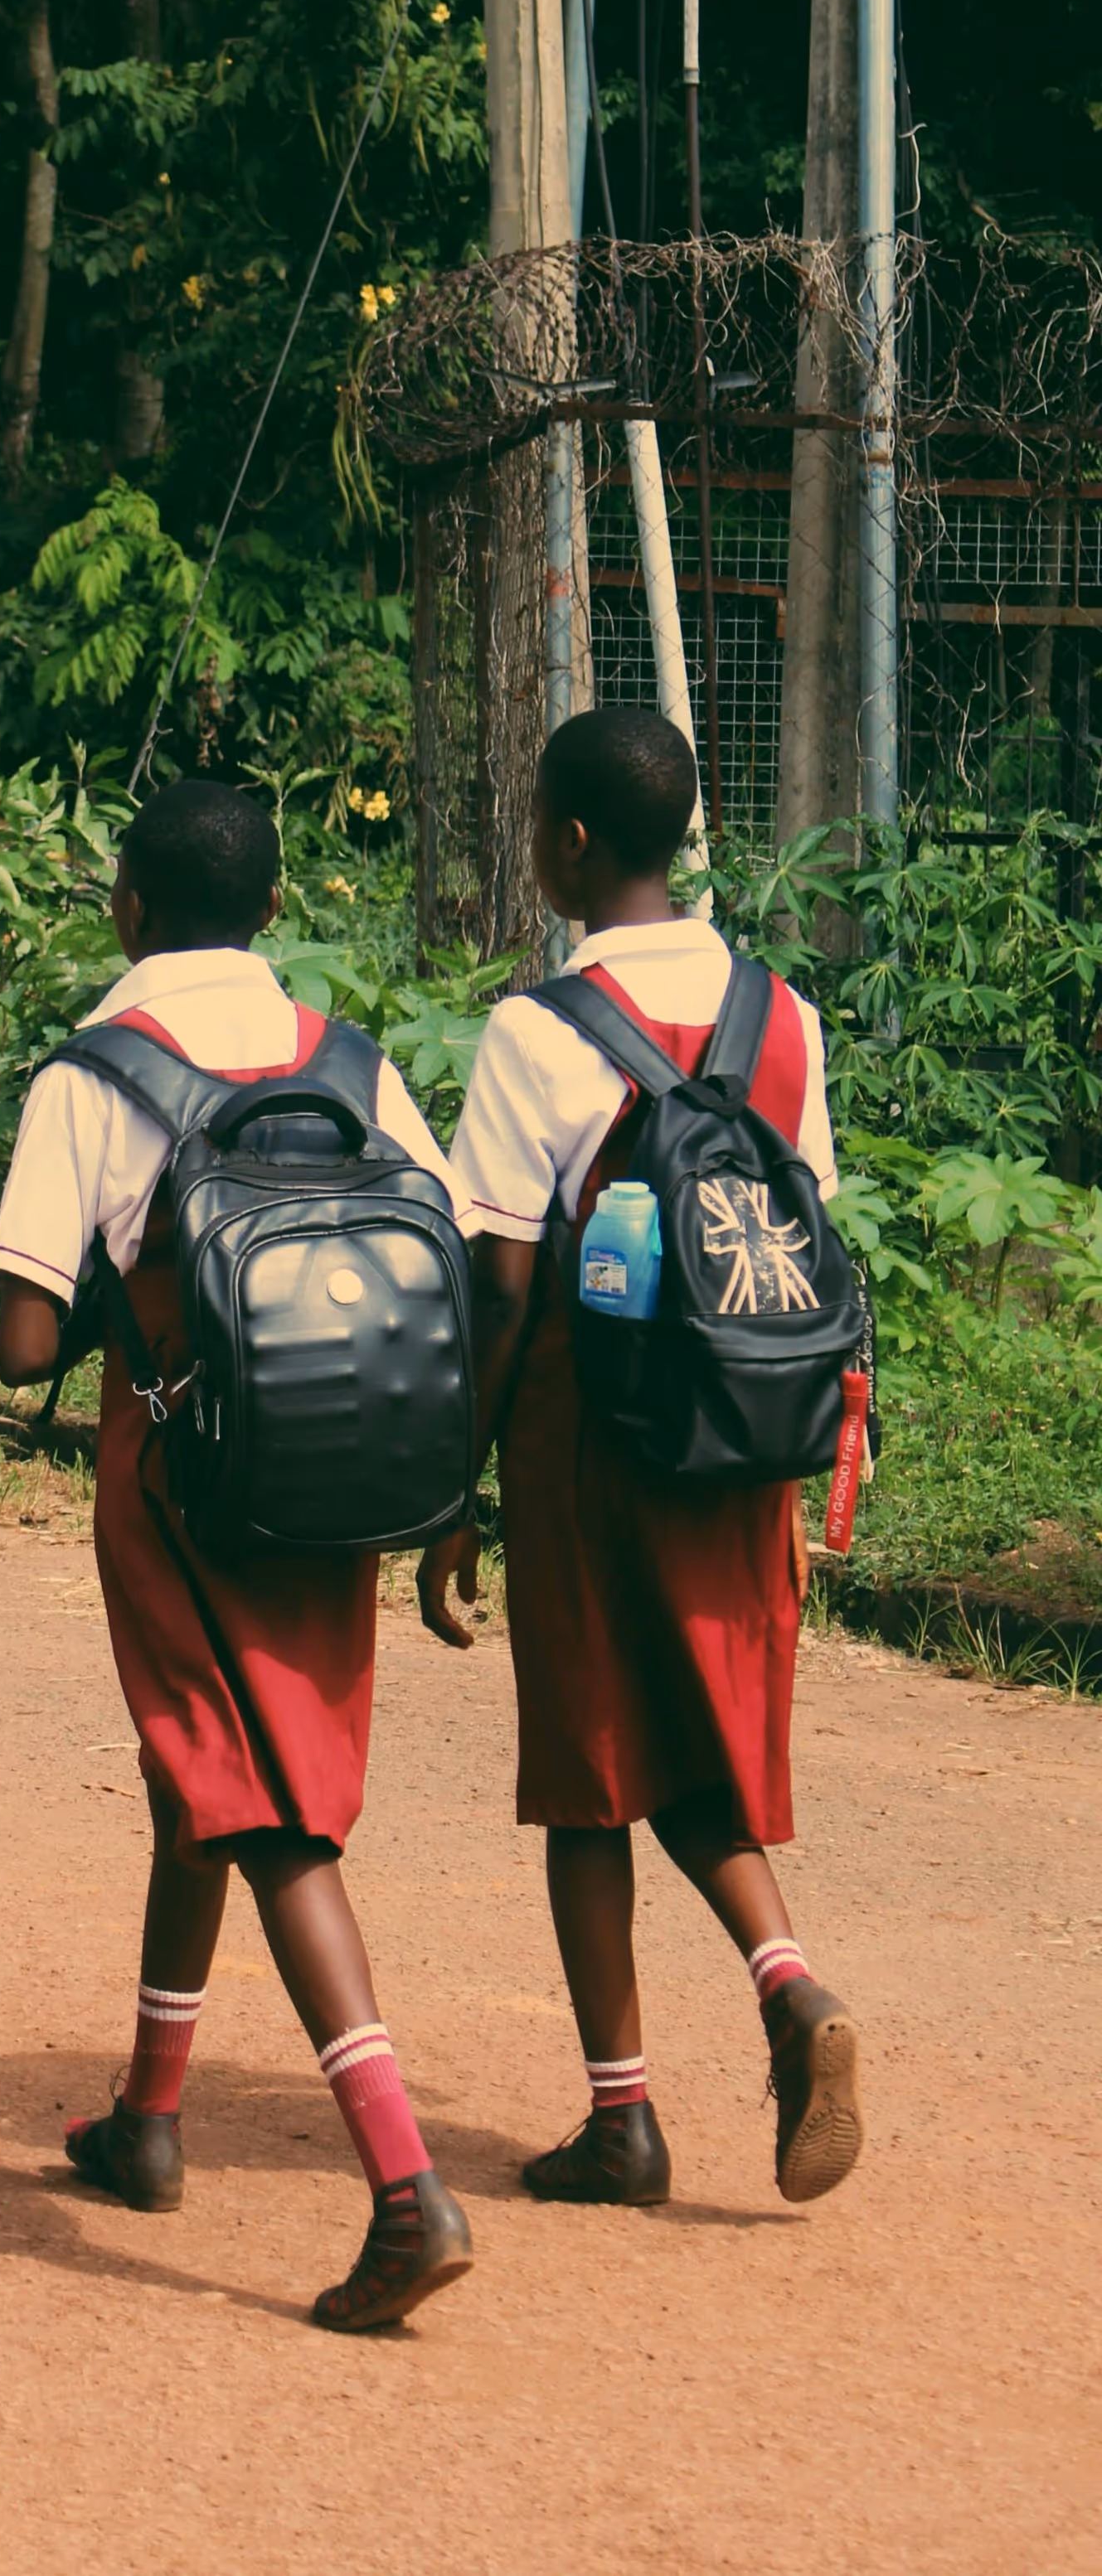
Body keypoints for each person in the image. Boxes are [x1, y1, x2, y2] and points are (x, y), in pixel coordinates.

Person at [0, 777, 476, 2332]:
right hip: (350, 1470)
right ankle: (149, 2113)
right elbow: (443, 1265)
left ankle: (406, 2189)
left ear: (126, 907)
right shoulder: (351, 1060)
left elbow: (19, 1344)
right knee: (204, 1773)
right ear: (275, 913)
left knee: (259, 1810)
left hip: (184, 1475)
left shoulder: (95, 1073)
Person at [425, 707, 863, 2211]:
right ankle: (786, 1976)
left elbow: (498, 1285)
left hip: (587, 1432)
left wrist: (454, 1489)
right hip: (747, 1430)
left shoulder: (535, 1032)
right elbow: (800, 1229)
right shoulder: (784, 1015)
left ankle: (626, 2119)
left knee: (591, 1771)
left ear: (566, 843)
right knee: (708, 1735)